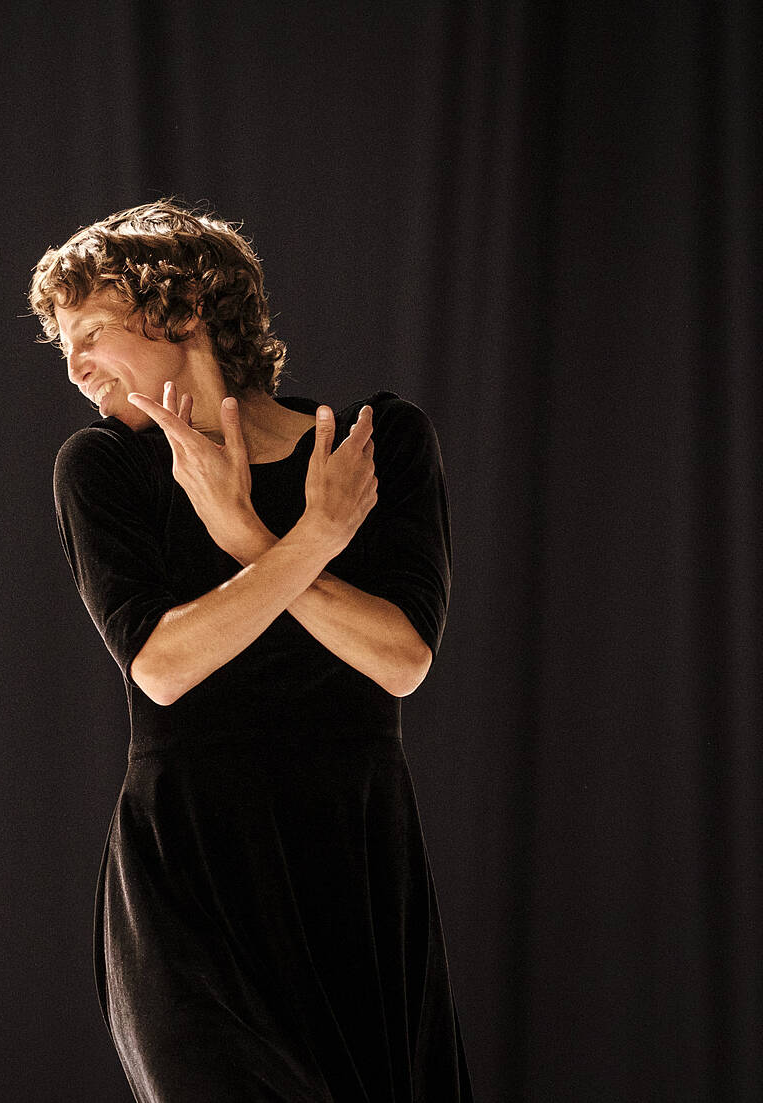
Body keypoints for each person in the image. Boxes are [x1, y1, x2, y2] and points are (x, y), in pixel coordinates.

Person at [31, 200, 472, 1102]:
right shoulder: (102, 468)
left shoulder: (374, 444)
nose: (74, 366)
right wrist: (308, 540)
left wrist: (248, 537)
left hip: (352, 865)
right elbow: (163, 665)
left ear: (182, 309)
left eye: (91, 333)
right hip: (193, 874)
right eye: (63, 346)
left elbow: (401, 656)